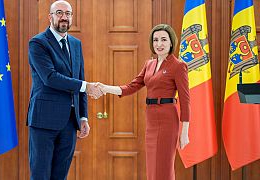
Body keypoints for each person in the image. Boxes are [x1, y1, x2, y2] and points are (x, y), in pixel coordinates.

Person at [97, 24, 190, 180]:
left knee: (164, 168)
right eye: (155, 40)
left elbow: (186, 100)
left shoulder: (178, 66)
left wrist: (185, 132)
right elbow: (131, 87)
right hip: (151, 118)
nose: (159, 44)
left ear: (171, 42)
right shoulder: (149, 64)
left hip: (167, 118)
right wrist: (104, 88)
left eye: (163, 40)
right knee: (153, 167)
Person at [27, 1, 102, 179]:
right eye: (59, 13)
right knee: (41, 175)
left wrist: (83, 117)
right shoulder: (38, 43)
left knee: (60, 175)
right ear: (50, 17)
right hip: (43, 121)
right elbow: (50, 78)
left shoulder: (76, 44)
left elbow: (79, 78)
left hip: (69, 122)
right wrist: (87, 86)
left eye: (68, 14)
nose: (64, 17)